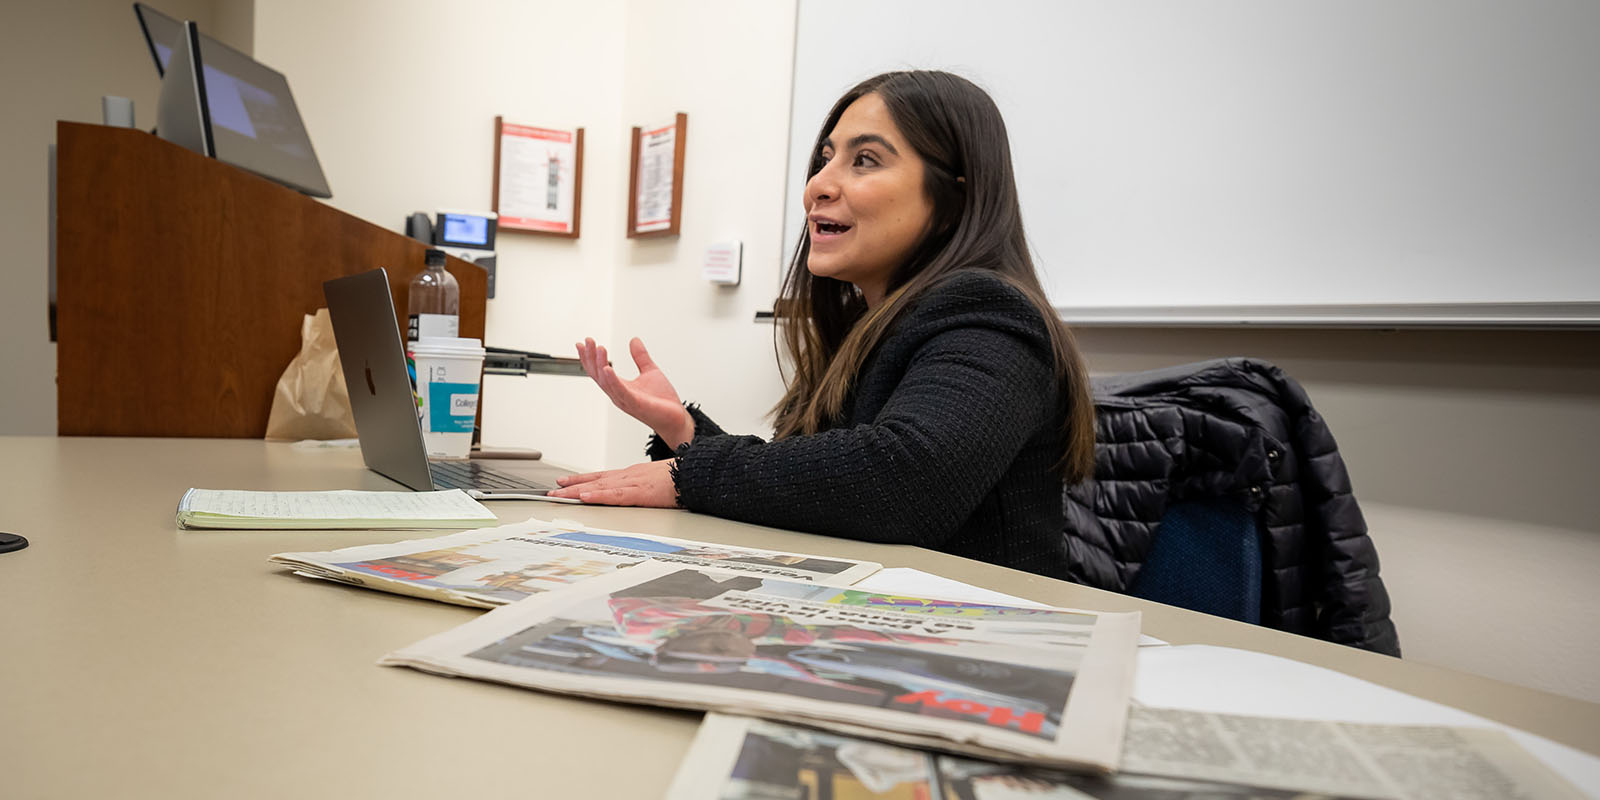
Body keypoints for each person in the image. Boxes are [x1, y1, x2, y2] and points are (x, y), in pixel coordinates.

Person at [549, 70, 1094, 579]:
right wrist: (684, 433)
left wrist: (692, 474)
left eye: (865, 161)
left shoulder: (987, 312)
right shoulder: (868, 324)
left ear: (954, 199)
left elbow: (904, 482)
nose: (818, 186)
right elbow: (820, 487)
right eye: (826, 159)